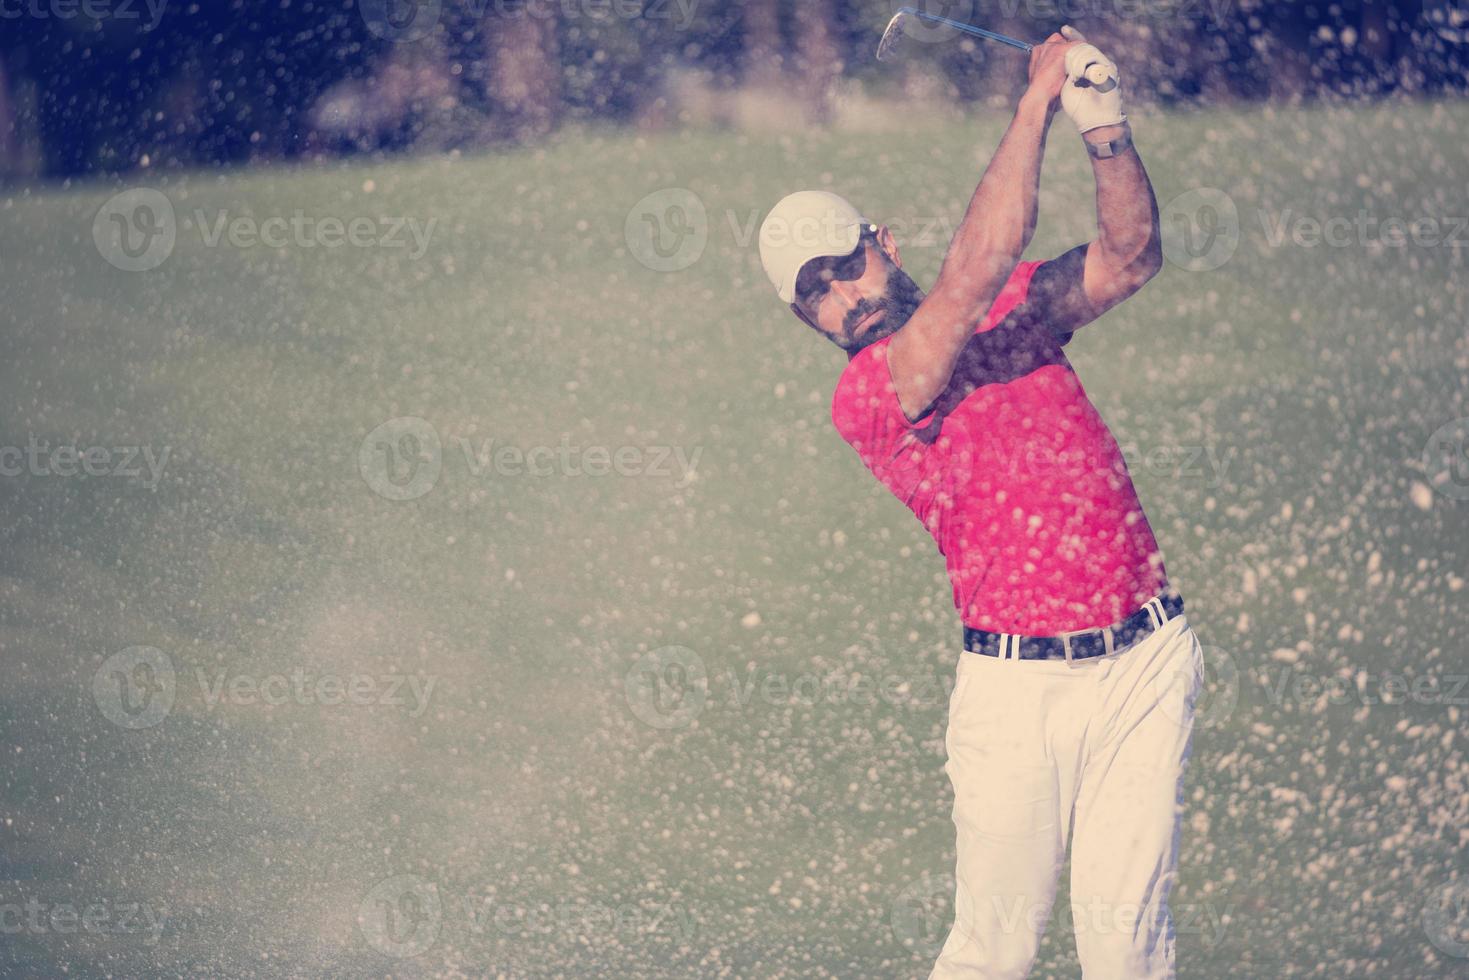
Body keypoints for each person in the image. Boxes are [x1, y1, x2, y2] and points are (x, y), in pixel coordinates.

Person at [756, 27, 1206, 979]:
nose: (842, 295)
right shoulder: (870, 393)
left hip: (1144, 661)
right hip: (1015, 695)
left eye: (845, 264)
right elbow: (973, 267)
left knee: (1128, 951)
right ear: (803, 322)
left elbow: (1129, 257)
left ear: (881, 242)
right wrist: (1035, 100)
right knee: (992, 954)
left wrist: (1105, 128)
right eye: (815, 297)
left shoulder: (1015, 308)